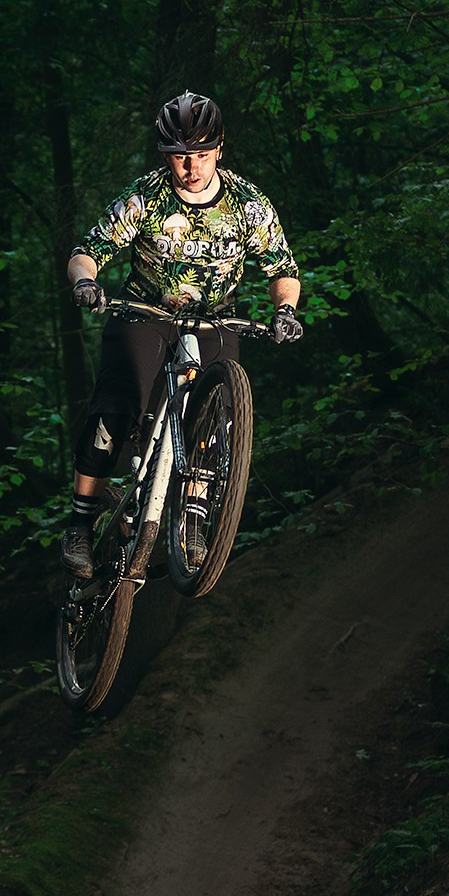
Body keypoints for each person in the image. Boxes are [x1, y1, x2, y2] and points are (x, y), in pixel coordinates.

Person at [61, 91, 303, 577]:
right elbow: (85, 251)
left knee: (218, 418)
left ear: (219, 149)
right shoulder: (146, 196)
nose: (189, 166)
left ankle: (193, 522)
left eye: (199, 154)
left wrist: (287, 310)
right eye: (177, 156)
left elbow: (282, 268)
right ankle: (81, 524)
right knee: (117, 406)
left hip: (216, 319)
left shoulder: (247, 204)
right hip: (144, 312)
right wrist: (85, 281)